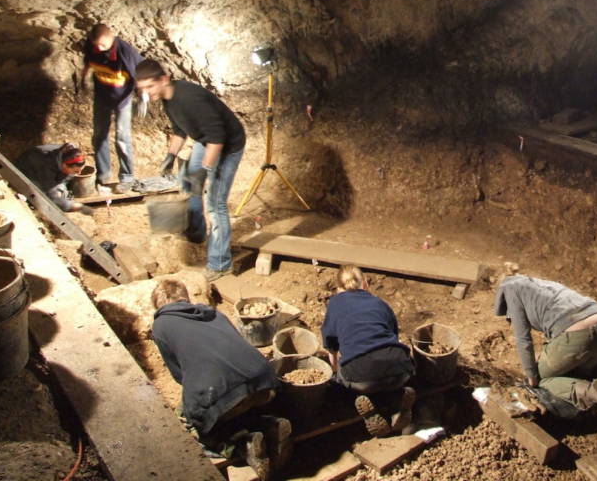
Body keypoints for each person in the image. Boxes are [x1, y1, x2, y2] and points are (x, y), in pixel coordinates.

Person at [150, 279, 291, 479]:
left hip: (218, 389)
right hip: (263, 382)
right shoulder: (213, 312)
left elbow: (179, 375)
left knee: (186, 420)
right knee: (235, 400)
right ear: (186, 298)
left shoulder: (160, 325)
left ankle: (243, 445)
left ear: (158, 305)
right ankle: (270, 425)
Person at [134, 59, 245, 282]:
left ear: (164, 80)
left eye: (150, 87)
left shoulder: (190, 99)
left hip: (227, 145)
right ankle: (196, 233)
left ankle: (220, 263)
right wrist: (170, 156)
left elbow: (217, 138)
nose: (146, 93)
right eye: (142, 89)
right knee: (187, 183)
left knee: (215, 205)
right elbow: (179, 131)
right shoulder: (168, 99)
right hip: (206, 141)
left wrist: (204, 171)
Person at [321, 265, 416, 437]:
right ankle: (397, 400)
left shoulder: (334, 304)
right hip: (400, 368)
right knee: (386, 377)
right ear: (365, 283)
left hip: (361, 376)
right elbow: (393, 336)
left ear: (339, 289)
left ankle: (367, 405)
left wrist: (336, 374)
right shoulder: (381, 303)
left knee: (346, 382)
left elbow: (330, 346)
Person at [493, 266, 597, 386]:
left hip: (578, 334)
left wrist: (531, 375)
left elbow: (523, 339)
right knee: (571, 371)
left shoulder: (510, 289)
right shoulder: (541, 286)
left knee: (543, 377)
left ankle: (596, 393)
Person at [79, 23, 143, 194]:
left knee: (122, 137)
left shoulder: (125, 52)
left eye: (103, 45)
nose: (99, 48)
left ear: (111, 38)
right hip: (102, 95)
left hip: (122, 98)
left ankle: (127, 177)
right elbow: (88, 61)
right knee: (99, 135)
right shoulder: (92, 46)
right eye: (96, 45)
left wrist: (143, 96)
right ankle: (104, 175)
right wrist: (83, 78)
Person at [13, 143, 94, 215]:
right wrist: (77, 207)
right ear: (65, 166)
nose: (79, 173)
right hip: (26, 171)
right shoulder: (47, 165)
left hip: (46, 171)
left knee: (62, 191)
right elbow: (53, 194)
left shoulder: (71, 155)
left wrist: (64, 194)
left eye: (81, 169)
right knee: (41, 198)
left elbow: (64, 179)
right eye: (76, 171)